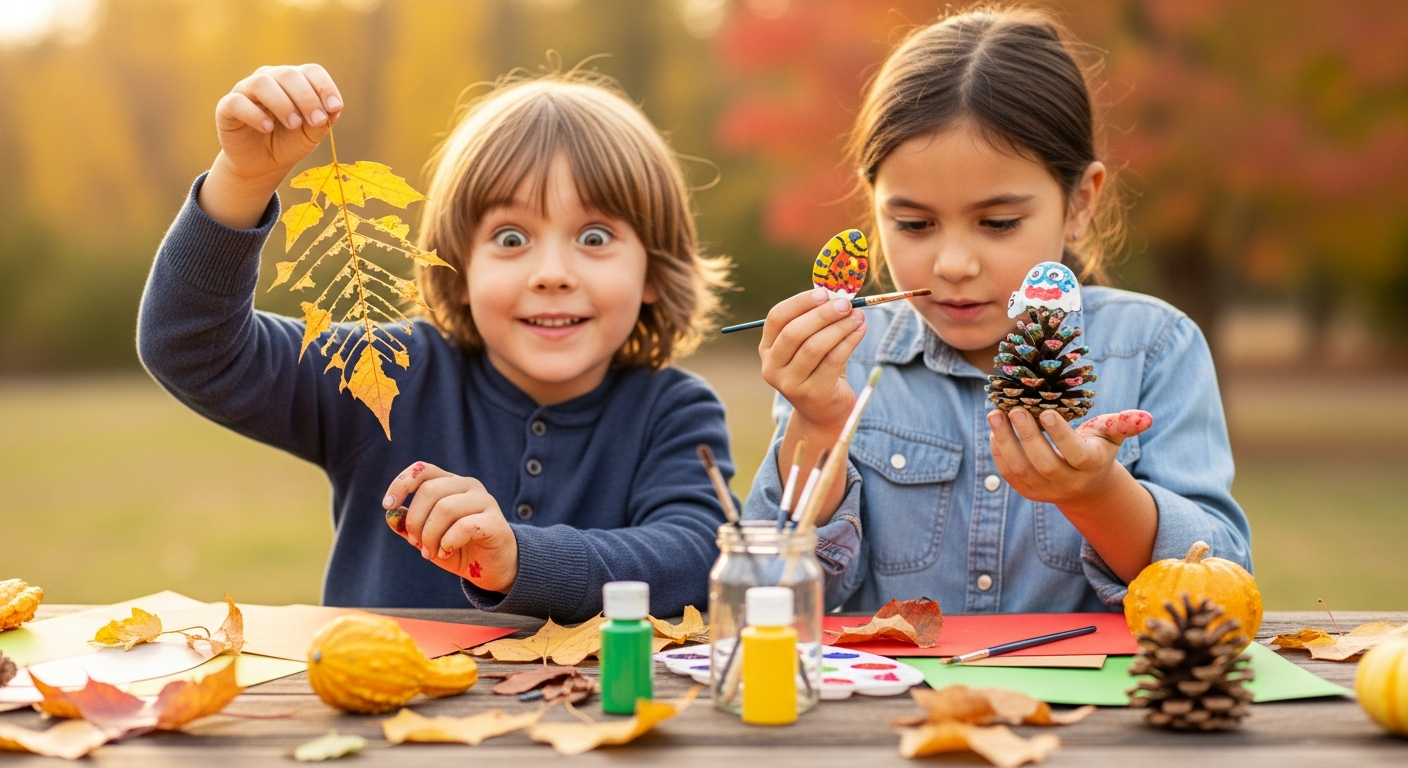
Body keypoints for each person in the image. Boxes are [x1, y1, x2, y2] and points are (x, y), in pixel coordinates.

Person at [138, 64, 734, 621]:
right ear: (457, 266)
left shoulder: (674, 412)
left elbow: (695, 557)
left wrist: (521, 560)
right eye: (510, 237)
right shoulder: (388, 370)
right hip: (383, 725)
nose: (552, 273)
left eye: (596, 236)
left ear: (654, 270)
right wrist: (243, 179)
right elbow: (194, 347)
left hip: (601, 725)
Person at [745, 7, 1251, 613]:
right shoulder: (841, 361)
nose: (954, 262)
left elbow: (1221, 589)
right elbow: (762, 598)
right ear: (873, 204)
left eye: (998, 222)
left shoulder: (1153, 348)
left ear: (1080, 203)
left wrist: (1096, 493)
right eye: (914, 223)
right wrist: (818, 426)